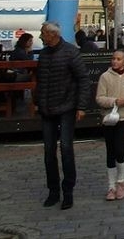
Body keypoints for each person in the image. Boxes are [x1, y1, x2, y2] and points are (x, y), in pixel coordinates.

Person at [35, 21, 90, 210]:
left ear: (53, 34)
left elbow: (83, 79)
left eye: (43, 33)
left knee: (66, 148)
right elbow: (40, 82)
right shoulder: (43, 54)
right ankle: (53, 191)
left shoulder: (70, 52)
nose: (41, 36)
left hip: (66, 106)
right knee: (48, 151)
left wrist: (81, 106)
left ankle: (68, 191)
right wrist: (37, 102)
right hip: (47, 109)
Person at [95, 48, 124, 201]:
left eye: (119, 59)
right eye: (114, 58)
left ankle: (121, 181)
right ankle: (111, 186)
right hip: (109, 117)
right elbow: (99, 98)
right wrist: (113, 101)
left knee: (119, 149)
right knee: (110, 150)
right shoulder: (105, 77)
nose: (115, 61)